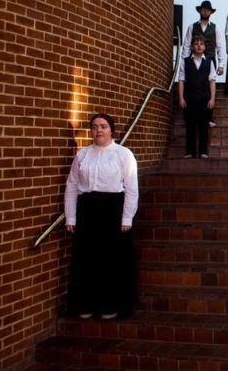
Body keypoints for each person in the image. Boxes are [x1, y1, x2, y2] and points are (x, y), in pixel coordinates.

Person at [65, 113, 138, 320]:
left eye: (103, 126)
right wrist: (71, 217)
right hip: (87, 209)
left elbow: (132, 188)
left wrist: (127, 218)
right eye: (95, 127)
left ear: (111, 130)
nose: (99, 130)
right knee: (87, 259)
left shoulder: (123, 154)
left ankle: (109, 305)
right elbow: (71, 186)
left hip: (113, 210)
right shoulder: (82, 155)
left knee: (110, 260)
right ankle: (85, 304)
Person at [178, 35, 216, 159]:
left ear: (204, 47)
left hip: (204, 98)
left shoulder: (209, 62)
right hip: (189, 98)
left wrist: (212, 99)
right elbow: (181, 81)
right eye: (196, 44)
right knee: (190, 125)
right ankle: (190, 151)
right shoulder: (185, 62)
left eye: (201, 44)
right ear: (192, 46)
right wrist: (181, 98)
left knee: (203, 126)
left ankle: (203, 151)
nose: (199, 46)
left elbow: (212, 82)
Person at [181, 0, 226, 75]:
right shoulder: (192, 27)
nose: (205, 12)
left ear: (210, 12)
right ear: (200, 11)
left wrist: (221, 65)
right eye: (203, 10)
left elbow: (219, 47)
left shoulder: (216, 28)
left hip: (210, 59)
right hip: (194, 59)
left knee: (209, 83)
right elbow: (186, 45)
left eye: (208, 10)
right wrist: (184, 62)